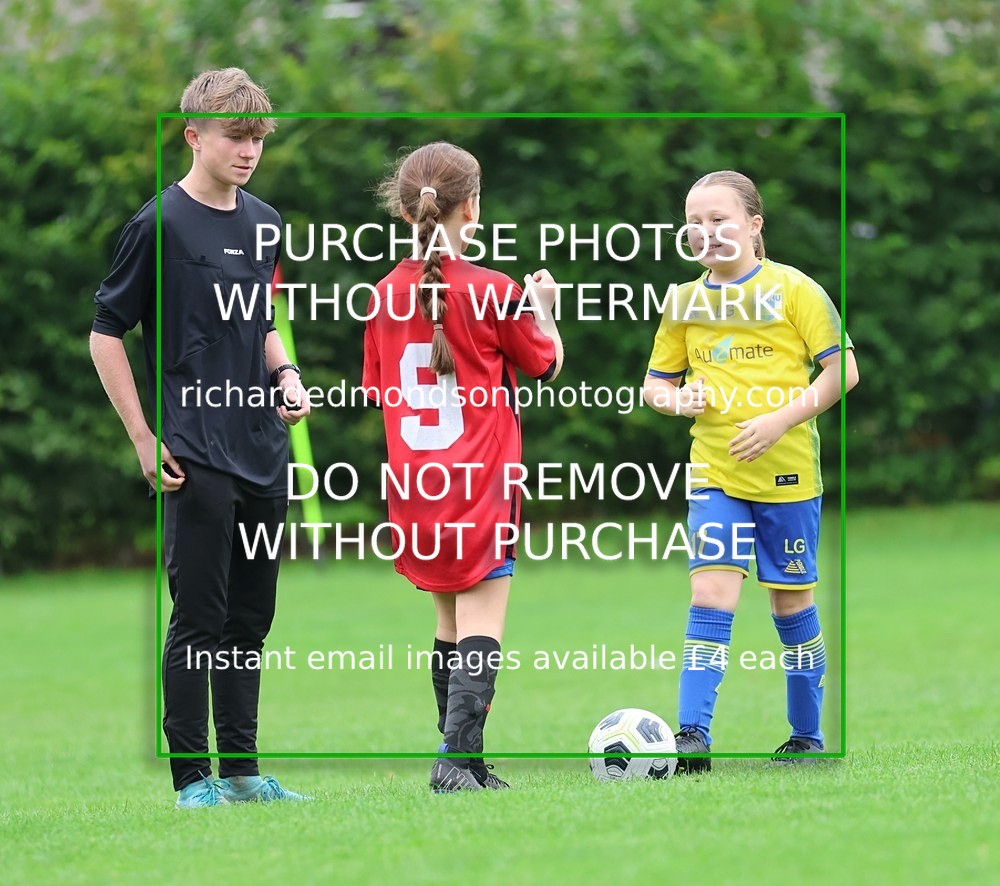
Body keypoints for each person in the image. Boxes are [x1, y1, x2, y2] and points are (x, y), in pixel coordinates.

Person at [90, 68, 312, 807]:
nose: (249, 151)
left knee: (251, 618)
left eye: (257, 139)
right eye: (235, 137)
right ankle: (193, 780)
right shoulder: (157, 224)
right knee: (199, 617)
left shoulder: (267, 222)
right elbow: (106, 335)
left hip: (261, 450)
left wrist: (284, 377)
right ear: (193, 135)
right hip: (193, 450)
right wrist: (142, 437)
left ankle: (244, 772)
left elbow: (263, 324)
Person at [362, 141, 563, 792]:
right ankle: (454, 762)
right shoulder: (494, 291)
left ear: (403, 208)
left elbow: (378, 392)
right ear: (471, 208)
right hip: (479, 486)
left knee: (449, 627)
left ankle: (468, 763)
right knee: (481, 628)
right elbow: (545, 364)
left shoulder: (383, 296)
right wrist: (546, 314)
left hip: (417, 491)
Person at [642, 170, 859, 771]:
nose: (706, 233)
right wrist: (675, 399)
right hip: (714, 474)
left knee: (791, 606)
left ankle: (807, 736)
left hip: (788, 480)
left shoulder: (796, 291)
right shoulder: (683, 302)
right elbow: (655, 384)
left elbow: (843, 373)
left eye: (720, 220)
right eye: (694, 223)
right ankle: (692, 738)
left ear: (754, 225)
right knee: (710, 593)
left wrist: (776, 423)